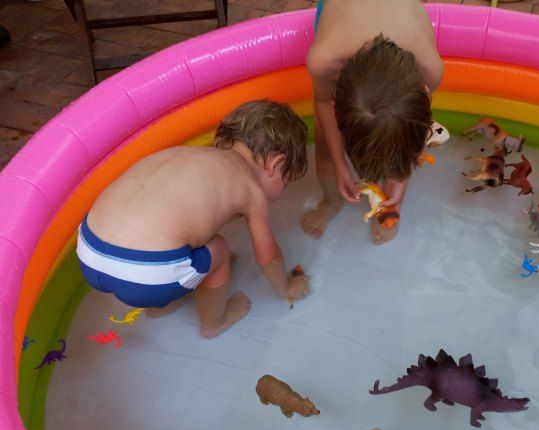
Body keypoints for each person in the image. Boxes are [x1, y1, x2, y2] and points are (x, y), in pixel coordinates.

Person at [77, 100, 310, 338]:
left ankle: (159, 307)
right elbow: (268, 257)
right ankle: (213, 323)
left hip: (90, 250)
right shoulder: (252, 191)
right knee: (219, 250)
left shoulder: (190, 155)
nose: (283, 190)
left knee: (176, 229)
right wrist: (285, 288)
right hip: (148, 275)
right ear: (276, 164)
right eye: (286, 182)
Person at [301, 0, 443, 245]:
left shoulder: (429, 68)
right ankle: (330, 201)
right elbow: (323, 102)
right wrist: (339, 163)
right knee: (325, 144)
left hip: (401, 16)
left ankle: (389, 207)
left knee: (400, 141)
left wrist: (399, 182)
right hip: (341, 16)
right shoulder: (324, 61)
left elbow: (416, 130)